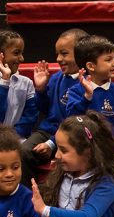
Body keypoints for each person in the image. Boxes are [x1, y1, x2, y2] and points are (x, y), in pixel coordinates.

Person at [24, 28, 87, 178]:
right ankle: (27, 196)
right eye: (57, 54)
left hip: (73, 136)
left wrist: (52, 143)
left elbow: (78, 120)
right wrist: (40, 90)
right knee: (23, 152)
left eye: (64, 53)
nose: (58, 59)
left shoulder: (88, 82)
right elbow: (45, 109)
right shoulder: (56, 78)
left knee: (66, 160)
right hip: (48, 131)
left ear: (81, 54)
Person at [64, 35, 114, 160]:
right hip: (86, 156)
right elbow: (72, 121)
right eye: (108, 60)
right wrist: (87, 97)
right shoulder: (76, 91)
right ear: (91, 66)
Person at [0, 29, 38, 138]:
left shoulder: (26, 83)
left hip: (18, 138)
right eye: (16, 53)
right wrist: (5, 80)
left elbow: (30, 116)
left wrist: (14, 135)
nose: (22, 58)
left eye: (22, 53)